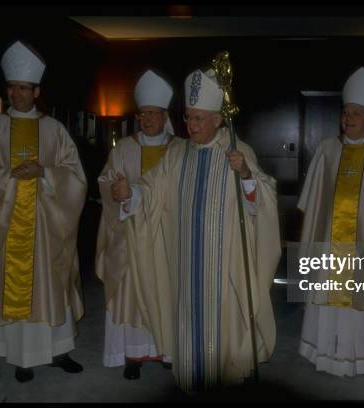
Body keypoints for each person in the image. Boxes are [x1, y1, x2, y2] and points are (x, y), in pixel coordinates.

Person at [118, 67, 281, 392]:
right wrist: (131, 194)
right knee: (189, 327)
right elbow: (151, 189)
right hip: (186, 262)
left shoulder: (238, 151)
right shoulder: (176, 153)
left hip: (225, 266)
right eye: (188, 117)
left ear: (219, 119)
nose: (190, 126)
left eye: (198, 119)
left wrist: (247, 174)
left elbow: (264, 198)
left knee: (223, 327)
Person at [0, 40, 87, 383]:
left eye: (22, 88)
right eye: (11, 87)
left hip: (47, 230)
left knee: (51, 285)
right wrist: (9, 178)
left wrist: (45, 173)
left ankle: (59, 350)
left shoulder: (54, 131)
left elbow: (75, 175)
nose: (15, 94)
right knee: (13, 287)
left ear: (36, 91)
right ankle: (22, 357)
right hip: (6, 228)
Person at [298, 67, 364, 376]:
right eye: (346, 112)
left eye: (357, 113)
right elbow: (314, 201)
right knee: (327, 297)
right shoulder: (327, 149)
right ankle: (326, 353)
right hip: (331, 246)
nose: (349, 118)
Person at [96, 69, 182, 380]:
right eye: (143, 113)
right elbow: (106, 180)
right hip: (130, 236)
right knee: (131, 295)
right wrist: (117, 194)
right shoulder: (125, 148)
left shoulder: (179, 149)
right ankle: (132, 354)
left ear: (164, 116)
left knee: (166, 292)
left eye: (153, 114)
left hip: (166, 237)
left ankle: (167, 349)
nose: (146, 119)